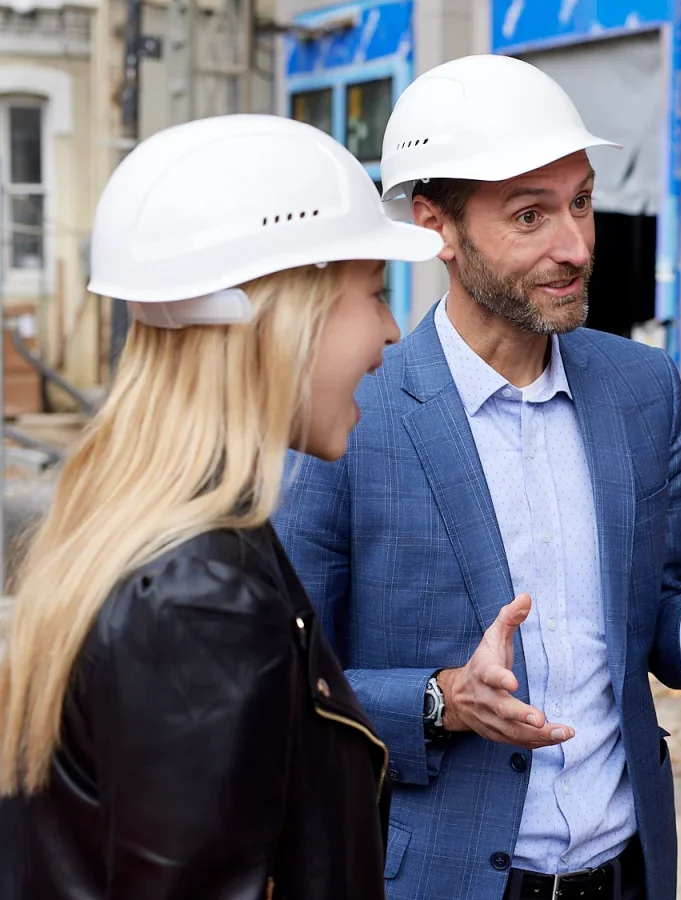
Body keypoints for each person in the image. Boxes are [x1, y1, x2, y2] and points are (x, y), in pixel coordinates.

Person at [273, 54, 681, 900]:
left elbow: (659, 607)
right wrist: (441, 701)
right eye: (530, 216)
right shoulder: (347, 412)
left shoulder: (643, 389)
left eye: (583, 202)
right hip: (438, 879)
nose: (576, 246)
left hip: (627, 869)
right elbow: (285, 684)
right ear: (434, 228)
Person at [0, 114, 443, 898]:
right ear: (275, 317)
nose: (388, 331)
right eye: (372, 293)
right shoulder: (203, 602)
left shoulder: (146, 536)